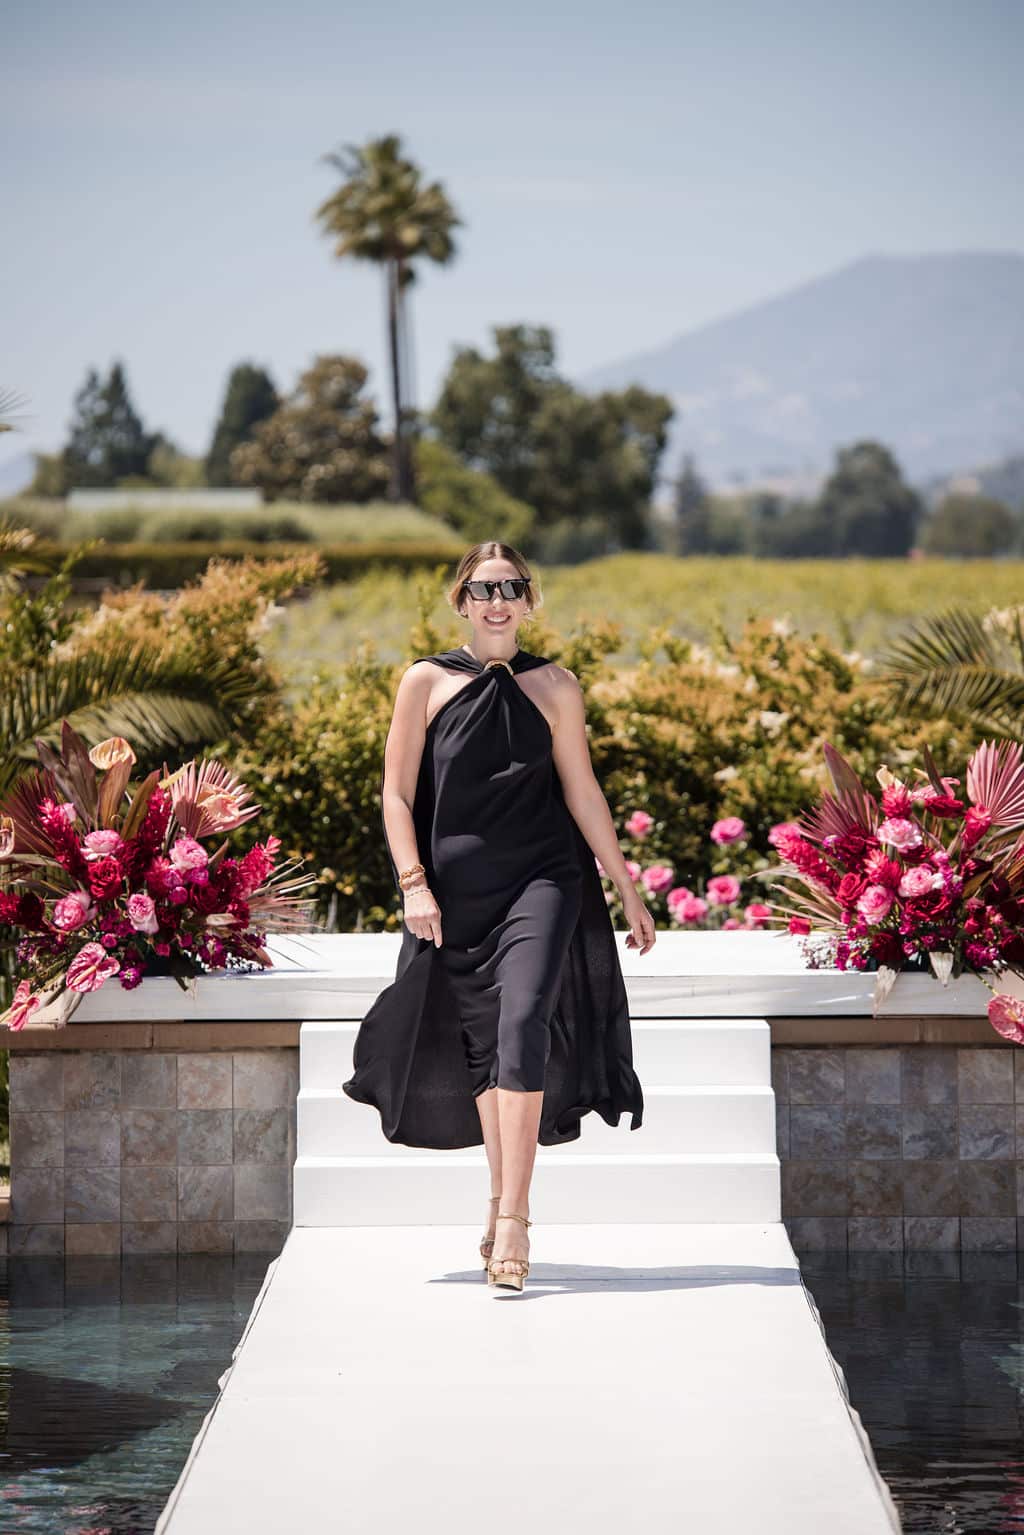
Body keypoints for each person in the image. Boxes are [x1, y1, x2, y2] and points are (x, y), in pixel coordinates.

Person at [342, 543, 655, 1292]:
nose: (498, 601)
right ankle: (497, 1199)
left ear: (529, 599)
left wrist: (626, 884)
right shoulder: (424, 681)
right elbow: (396, 795)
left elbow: (582, 791)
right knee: (485, 1048)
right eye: (483, 589)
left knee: (523, 1024)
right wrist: (413, 883)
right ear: (461, 600)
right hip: (455, 892)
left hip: (544, 878)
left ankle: (515, 1217)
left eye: (512, 588)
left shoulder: (558, 687)